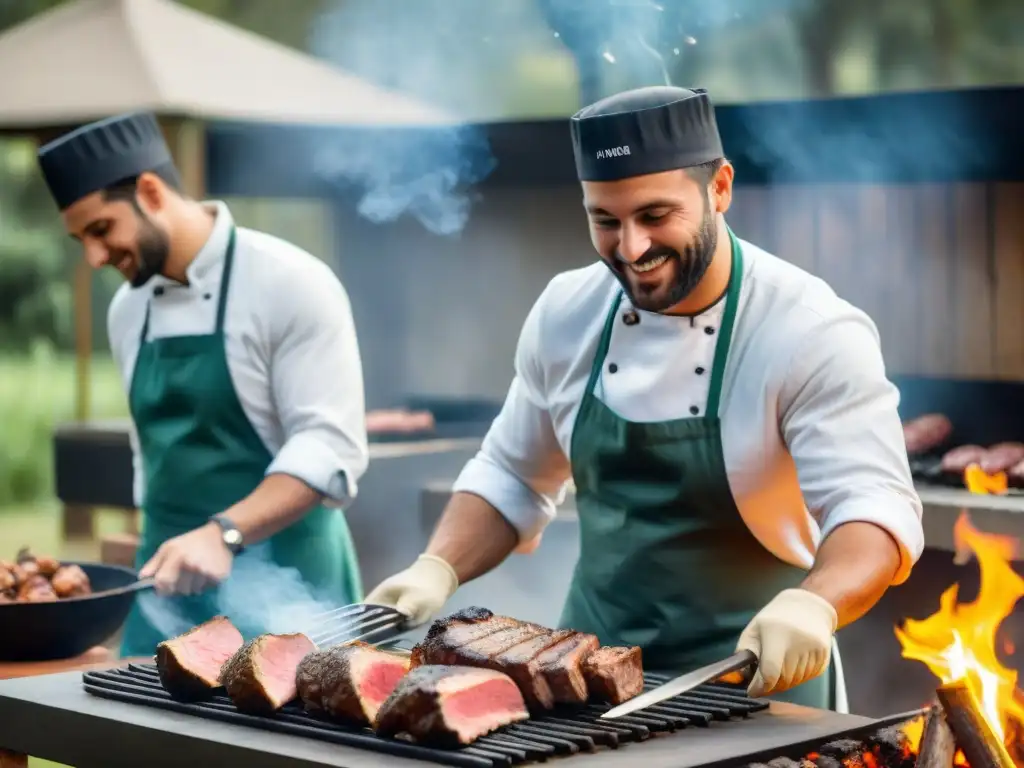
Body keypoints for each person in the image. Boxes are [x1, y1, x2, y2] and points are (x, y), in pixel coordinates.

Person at [365, 86, 924, 712]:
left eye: (656, 216)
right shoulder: (567, 312)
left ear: (720, 189)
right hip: (585, 682)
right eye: (605, 220)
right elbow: (512, 476)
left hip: (761, 683)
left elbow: (873, 507)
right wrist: (436, 567)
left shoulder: (808, 329)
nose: (631, 248)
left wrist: (815, 602)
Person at [37, 112, 369, 656]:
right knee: (135, 741)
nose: (95, 257)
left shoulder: (291, 282)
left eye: (101, 230)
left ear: (150, 191)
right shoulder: (128, 310)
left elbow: (328, 446)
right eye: (81, 240)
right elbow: (152, 457)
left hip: (289, 587)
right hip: (167, 590)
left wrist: (224, 533)